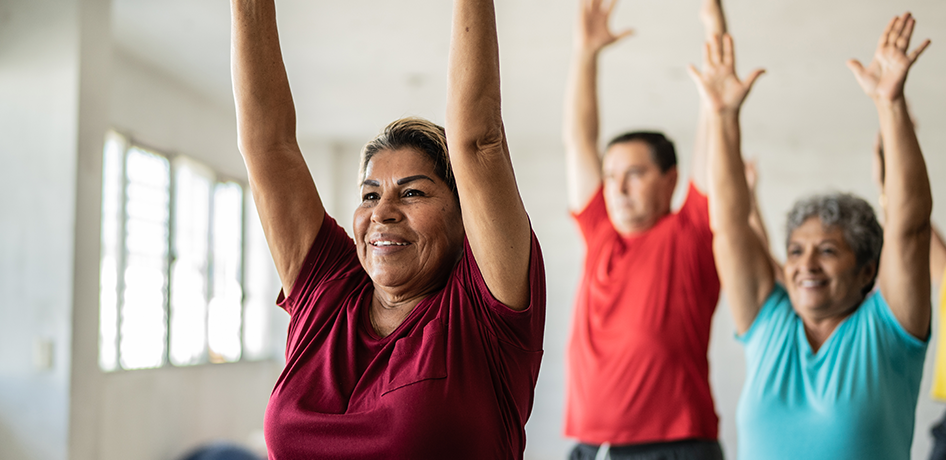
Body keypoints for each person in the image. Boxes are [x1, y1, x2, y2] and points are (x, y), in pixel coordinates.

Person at [229, 1, 545, 458]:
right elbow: (268, 147)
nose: (383, 212)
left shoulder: (482, 317)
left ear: (465, 216)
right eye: (370, 194)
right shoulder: (327, 291)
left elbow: (478, 142)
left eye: (413, 193)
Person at [691, 11, 932, 459]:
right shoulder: (769, 325)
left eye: (827, 250)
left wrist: (890, 105)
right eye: (797, 251)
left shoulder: (888, 332)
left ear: (867, 272)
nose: (805, 265)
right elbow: (727, 226)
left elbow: (909, 229)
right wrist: (723, 118)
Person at [561, 0, 728, 457]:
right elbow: (578, 139)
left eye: (634, 174)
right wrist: (586, 52)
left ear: (669, 179)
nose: (617, 187)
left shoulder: (691, 232)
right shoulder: (599, 232)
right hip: (591, 446)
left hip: (675, 444)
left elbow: (715, 134)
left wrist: (715, 26)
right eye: (611, 175)